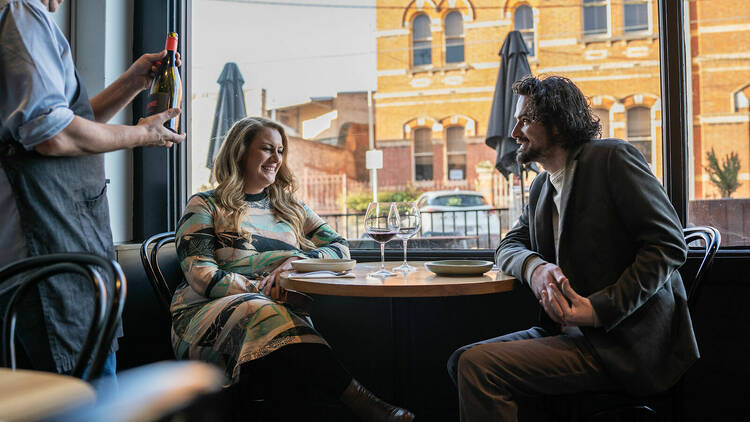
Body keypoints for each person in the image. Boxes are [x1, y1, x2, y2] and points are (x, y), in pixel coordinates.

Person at [447, 75, 697, 421]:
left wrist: (598, 309)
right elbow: (508, 245)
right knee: (461, 360)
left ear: (557, 125)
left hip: (624, 345)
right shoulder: (542, 187)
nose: (515, 132)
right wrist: (535, 268)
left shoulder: (612, 159)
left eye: (525, 120)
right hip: (571, 336)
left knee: (480, 368)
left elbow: (668, 243)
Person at [171, 116, 415, 422]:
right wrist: (265, 291)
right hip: (206, 320)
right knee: (263, 313)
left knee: (286, 351)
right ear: (240, 151)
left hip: (278, 315)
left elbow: (339, 246)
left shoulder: (289, 206)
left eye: (281, 150)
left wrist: (295, 264)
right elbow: (201, 275)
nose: (277, 158)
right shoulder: (205, 205)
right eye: (266, 149)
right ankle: (365, 405)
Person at [0, 0, 184, 378]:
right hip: (47, 265)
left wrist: (133, 82)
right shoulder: (20, 10)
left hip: (50, 262)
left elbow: (69, 124)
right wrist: (141, 134)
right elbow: (51, 134)